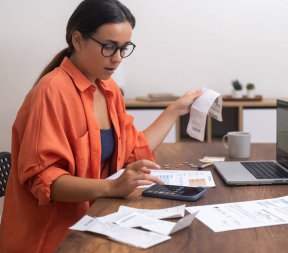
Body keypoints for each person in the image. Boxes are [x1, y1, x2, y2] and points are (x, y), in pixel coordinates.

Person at [0, 0, 202, 252]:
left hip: (96, 220)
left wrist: (175, 110)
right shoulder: (50, 92)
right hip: (52, 238)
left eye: (124, 48)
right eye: (109, 47)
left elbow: (133, 149)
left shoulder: (108, 90)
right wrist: (112, 187)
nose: (117, 58)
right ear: (77, 40)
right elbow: (46, 182)